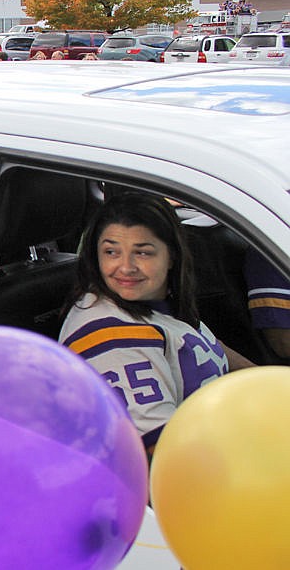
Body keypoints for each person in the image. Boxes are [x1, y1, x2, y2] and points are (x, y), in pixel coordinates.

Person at [59, 193, 253, 453]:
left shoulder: (157, 303)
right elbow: (163, 448)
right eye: (111, 251)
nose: (126, 267)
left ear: (171, 256)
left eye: (142, 253)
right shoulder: (109, 335)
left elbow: (211, 347)